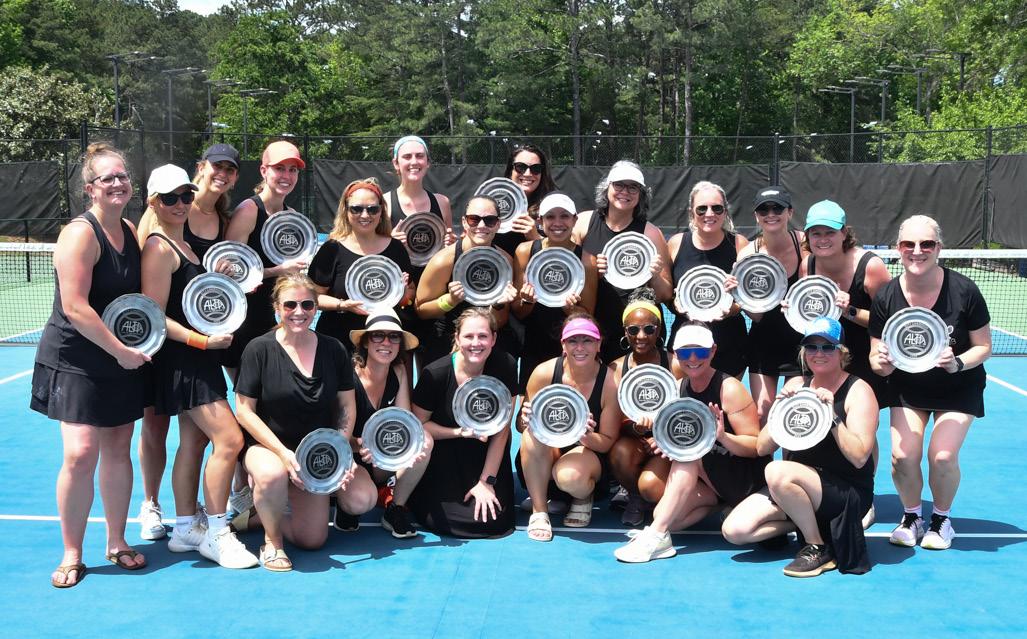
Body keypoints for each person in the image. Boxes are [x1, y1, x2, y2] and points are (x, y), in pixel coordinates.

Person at [32, 143, 150, 588]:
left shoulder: (131, 230)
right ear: (90, 189)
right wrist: (119, 350)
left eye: (123, 176)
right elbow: (75, 307)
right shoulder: (79, 234)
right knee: (81, 453)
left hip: (118, 356)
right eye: (108, 178)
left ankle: (117, 542)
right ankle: (72, 552)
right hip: (75, 357)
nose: (118, 183)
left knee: (118, 447)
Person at [140, 164, 257, 569]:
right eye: (169, 198)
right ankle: (217, 533)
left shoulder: (185, 246)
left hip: (199, 359)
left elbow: (187, 301)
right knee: (230, 440)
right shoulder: (158, 248)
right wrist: (202, 341)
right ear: (153, 203)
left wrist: (213, 278)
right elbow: (154, 314)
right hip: (184, 361)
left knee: (194, 443)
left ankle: (186, 528)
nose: (180, 204)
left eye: (186, 196)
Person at [233, 274, 375, 571]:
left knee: (312, 540)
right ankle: (272, 542)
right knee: (272, 474)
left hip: (315, 455)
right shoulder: (258, 349)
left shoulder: (333, 349)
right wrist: (283, 455)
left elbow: (346, 405)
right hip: (268, 447)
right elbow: (244, 411)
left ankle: (261, 513)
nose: (299, 311)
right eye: (290, 305)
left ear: (316, 308)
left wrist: (339, 453)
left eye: (307, 305)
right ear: (277, 308)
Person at [870, 215, 991, 551]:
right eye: (908, 244)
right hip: (908, 388)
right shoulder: (886, 296)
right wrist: (880, 364)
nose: (917, 251)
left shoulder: (965, 290)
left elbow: (983, 347)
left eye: (926, 244)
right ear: (898, 249)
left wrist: (957, 362)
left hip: (958, 386)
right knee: (902, 456)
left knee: (942, 456)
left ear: (939, 248)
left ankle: (941, 520)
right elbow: (875, 356)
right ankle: (912, 517)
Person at [722, 317, 879, 577]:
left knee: (776, 471)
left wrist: (831, 417)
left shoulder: (859, 391)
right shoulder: (796, 386)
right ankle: (815, 526)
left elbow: (860, 457)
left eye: (827, 347)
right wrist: (780, 410)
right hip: (796, 489)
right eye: (811, 347)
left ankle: (816, 546)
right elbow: (762, 447)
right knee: (735, 531)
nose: (818, 353)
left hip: (845, 491)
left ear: (842, 352)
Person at [614, 323, 764, 563]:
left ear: (713, 351)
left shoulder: (729, 389)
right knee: (669, 518)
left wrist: (722, 437)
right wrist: (663, 440)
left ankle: (655, 535)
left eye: (700, 351)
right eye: (685, 353)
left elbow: (756, 447)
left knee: (690, 455)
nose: (693, 359)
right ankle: (715, 507)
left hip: (743, 477)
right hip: (712, 480)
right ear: (676, 354)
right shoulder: (677, 389)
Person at [408, 308, 518, 538]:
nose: (476, 343)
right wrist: (459, 432)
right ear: (457, 338)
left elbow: (502, 430)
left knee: (493, 521)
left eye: (483, 336)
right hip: (445, 452)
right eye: (469, 336)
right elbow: (418, 427)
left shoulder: (505, 365)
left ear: (494, 339)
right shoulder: (435, 374)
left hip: (486, 454)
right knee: (448, 520)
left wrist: (487, 481)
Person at [517, 315, 621, 540]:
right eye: (573, 341)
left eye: (587, 340)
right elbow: (519, 424)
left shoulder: (611, 383)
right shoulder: (543, 373)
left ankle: (582, 495)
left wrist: (585, 435)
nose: (580, 347)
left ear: (599, 345)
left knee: (569, 477)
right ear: (563, 345)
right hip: (549, 452)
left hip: (587, 455)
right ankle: (539, 511)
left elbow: (607, 442)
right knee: (529, 435)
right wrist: (525, 419)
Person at [223, 140, 309, 380]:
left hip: (272, 318)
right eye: (279, 168)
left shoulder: (291, 216)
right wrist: (278, 270)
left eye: (293, 170)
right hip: (242, 320)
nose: (287, 176)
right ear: (264, 171)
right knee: (247, 392)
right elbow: (230, 275)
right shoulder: (249, 211)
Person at [572, 161, 673, 363]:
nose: (625, 192)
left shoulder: (651, 233)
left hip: (638, 334)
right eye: (619, 185)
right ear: (607, 187)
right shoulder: (583, 222)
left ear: (641, 194)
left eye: (633, 187)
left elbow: (665, 295)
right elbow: (568, 274)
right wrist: (592, 272)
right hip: (593, 327)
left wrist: (654, 275)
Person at [347, 310, 433, 538]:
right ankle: (344, 505)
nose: (386, 342)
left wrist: (408, 450)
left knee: (424, 441)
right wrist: (360, 446)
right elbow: (336, 436)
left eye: (394, 336)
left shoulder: (399, 371)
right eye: (378, 335)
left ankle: (396, 508)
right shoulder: (349, 376)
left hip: (382, 455)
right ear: (365, 342)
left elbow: (405, 423)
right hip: (351, 456)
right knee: (358, 502)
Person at [800, 200, 891, 403]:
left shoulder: (871, 267)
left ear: (843, 233)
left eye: (830, 232)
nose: (823, 239)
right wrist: (795, 312)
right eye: (816, 233)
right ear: (808, 236)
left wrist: (849, 311)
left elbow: (889, 322)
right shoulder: (807, 266)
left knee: (862, 420)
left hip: (864, 359)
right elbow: (809, 316)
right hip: (822, 357)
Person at [310, 178, 413, 348]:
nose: (365, 215)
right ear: (346, 211)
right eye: (356, 209)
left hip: (384, 342)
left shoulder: (395, 248)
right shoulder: (332, 249)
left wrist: (402, 297)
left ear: (381, 211)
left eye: (372, 209)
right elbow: (313, 297)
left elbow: (410, 292)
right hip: (338, 341)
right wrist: (342, 305)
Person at [415, 196, 518, 366]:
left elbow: (500, 321)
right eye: (474, 219)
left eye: (489, 220)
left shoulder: (505, 261)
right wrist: (449, 301)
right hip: (447, 340)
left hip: (485, 341)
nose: (481, 225)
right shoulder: (444, 261)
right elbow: (421, 310)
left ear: (498, 224)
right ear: (464, 222)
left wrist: (498, 305)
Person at [511, 192, 597, 389]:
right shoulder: (525, 252)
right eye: (550, 216)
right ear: (540, 221)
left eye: (564, 216)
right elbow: (518, 312)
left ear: (575, 220)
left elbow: (587, 316)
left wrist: (572, 310)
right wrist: (527, 302)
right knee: (530, 405)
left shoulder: (587, 262)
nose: (558, 223)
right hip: (533, 344)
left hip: (573, 347)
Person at [739, 187, 807, 426]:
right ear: (756, 216)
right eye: (763, 210)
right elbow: (757, 317)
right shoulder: (747, 256)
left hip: (801, 345)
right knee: (761, 414)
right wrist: (740, 296)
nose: (770, 214)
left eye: (777, 208)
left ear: (790, 212)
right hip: (763, 343)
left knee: (793, 413)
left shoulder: (805, 245)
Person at [667, 181, 749, 377]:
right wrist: (675, 304)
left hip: (729, 344)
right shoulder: (676, 243)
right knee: (682, 397)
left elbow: (749, 296)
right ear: (692, 213)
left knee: (727, 397)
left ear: (725, 212)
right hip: (685, 344)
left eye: (717, 208)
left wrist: (734, 308)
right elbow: (667, 293)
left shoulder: (740, 244)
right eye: (702, 208)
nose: (709, 214)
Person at [607, 290, 675, 526]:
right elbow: (612, 420)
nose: (641, 336)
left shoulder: (676, 364)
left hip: (668, 444)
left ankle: (658, 496)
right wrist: (635, 429)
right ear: (625, 332)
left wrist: (663, 438)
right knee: (619, 454)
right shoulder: (615, 369)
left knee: (651, 488)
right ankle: (634, 497)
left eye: (649, 329)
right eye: (634, 330)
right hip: (633, 440)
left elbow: (688, 411)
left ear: (659, 329)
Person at [384, 135, 455, 244]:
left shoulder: (442, 203)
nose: (414, 162)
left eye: (420, 156)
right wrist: (390, 242)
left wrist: (451, 243)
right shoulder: (384, 203)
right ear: (396, 163)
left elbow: (448, 249)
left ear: (428, 162)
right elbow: (372, 249)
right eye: (407, 157)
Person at [492, 144, 553, 256]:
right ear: (510, 171)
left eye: (536, 168)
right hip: (497, 264)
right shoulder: (493, 202)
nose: (528, 174)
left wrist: (536, 238)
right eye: (520, 167)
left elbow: (560, 252)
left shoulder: (552, 206)